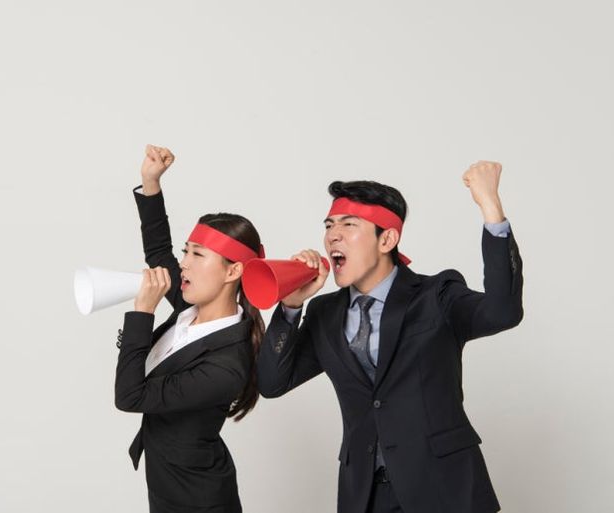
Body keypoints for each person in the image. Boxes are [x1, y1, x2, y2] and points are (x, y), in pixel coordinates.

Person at [257, 161, 523, 513]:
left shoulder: (436, 295)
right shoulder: (325, 313)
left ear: (387, 239)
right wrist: (291, 307)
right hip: (366, 495)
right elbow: (272, 383)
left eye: (348, 224)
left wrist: (490, 207)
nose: (333, 235)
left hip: (444, 489)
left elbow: (503, 312)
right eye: (329, 225)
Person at [114, 145, 265, 513]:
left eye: (198, 255)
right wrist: (151, 183)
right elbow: (158, 251)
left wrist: (143, 314)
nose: (183, 264)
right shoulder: (187, 309)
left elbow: (130, 396)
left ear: (233, 271)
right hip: (167, 485)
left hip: (198, 500)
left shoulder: (228, 363)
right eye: (187, 251)